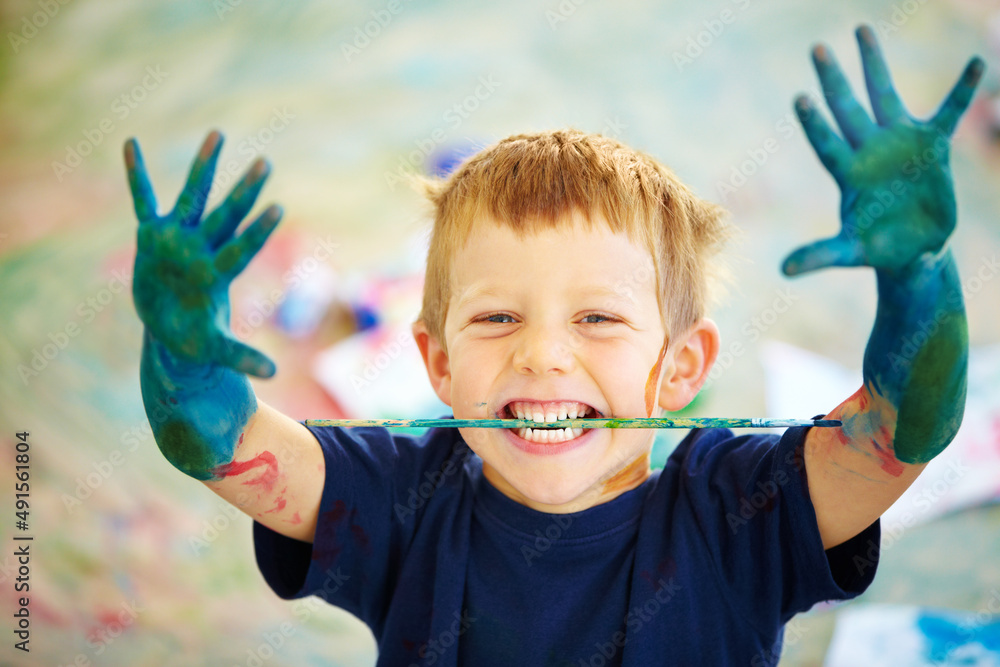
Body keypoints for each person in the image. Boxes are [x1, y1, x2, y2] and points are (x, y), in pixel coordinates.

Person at [123, 26, 983, 666]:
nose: (541, 355)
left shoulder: (740, 511)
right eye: (497, 318)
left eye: (597, 319)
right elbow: (216, 439)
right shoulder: (395, 498)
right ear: (438, 362)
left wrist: (919, 276)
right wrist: (183, 357)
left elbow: (902, 431)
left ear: (682, 365)